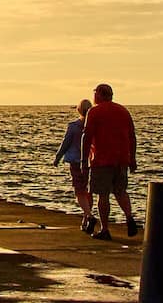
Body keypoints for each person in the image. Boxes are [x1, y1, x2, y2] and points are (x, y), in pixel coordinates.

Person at [80, 83, 138, 240]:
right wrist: (132, 158)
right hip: (121, 159)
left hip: (101, 159)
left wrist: (84, 159)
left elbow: (87, 136)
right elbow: (132, 136)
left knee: (102, 195)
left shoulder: (94, 111)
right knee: (121, 191)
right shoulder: (123, 111)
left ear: (98, 95)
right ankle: (129, 217)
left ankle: (105, 229)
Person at [54, 100, 97, 234]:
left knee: (79, 190)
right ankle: (85, 219)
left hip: (76, 161)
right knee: (89, 190)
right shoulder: (95, 126)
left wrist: (58, 157)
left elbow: (66, 143)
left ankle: (89, 216)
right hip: (91, 161)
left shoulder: (73, 126)